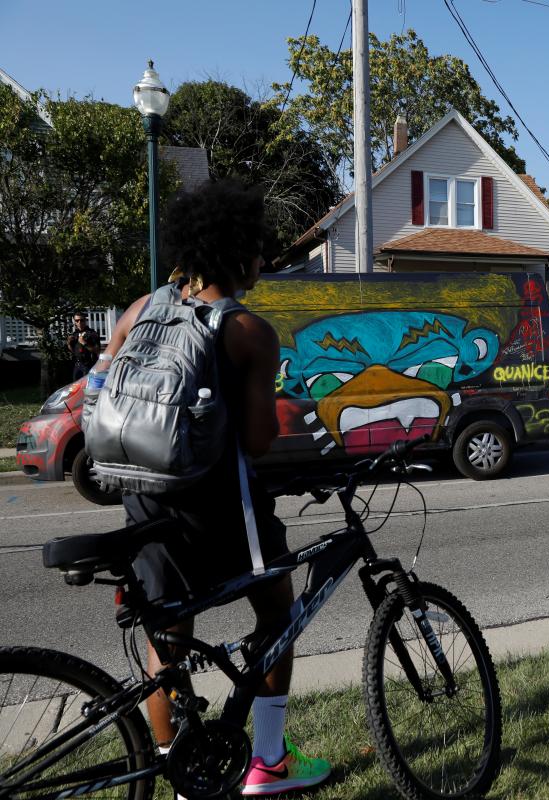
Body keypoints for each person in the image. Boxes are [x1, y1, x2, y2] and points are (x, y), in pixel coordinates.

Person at [99, 180, 331, 795]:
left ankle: (184, 778)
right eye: (258, 248)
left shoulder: (139, 311)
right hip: (219, 505)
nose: (263, 261)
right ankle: (268, 764)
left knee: (167, 638)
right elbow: (256, 442)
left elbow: (101, 390)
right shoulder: (248, 331)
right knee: (279, 612)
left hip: (144, 501)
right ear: (236, 252)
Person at [67, 312, 101, 380]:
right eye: (77, 321)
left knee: (87, 387)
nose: (79, 322)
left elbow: (97, 350)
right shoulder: (74, 334)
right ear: (75, 322)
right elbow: (72, 350)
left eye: (81, 320)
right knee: (76, 387)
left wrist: (84, 343)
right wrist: (68, 343)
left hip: (89, 364)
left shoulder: (92, 333)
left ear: (85, 320)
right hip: (77, 365)